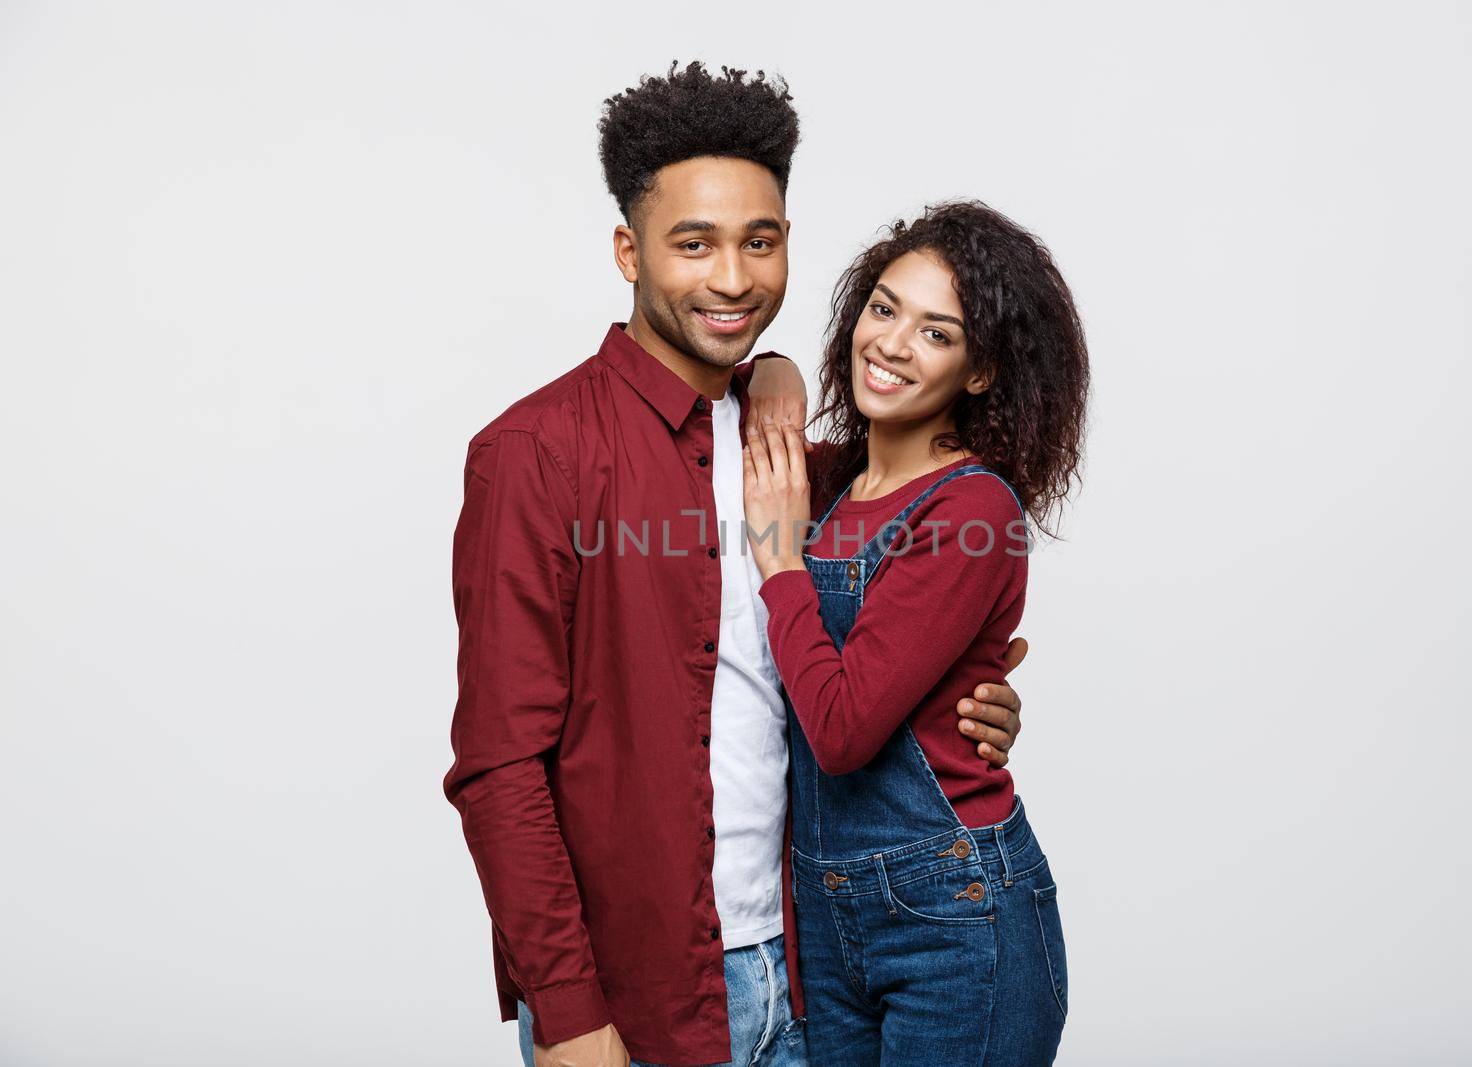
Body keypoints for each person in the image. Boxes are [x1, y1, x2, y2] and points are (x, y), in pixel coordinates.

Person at [443, 63, 1034, 1067]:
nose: (731, 277)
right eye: (693, 243)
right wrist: (568, 1005)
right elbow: (500, 763)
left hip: (819, 976)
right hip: (642, 997)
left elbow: (885, 633)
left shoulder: (805, 463)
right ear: (628, 250)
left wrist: (967, 707)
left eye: (758, 241)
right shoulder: (535, 452)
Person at [742, 199, 1090, 1064]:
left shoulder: (974, 509)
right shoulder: (828, 483)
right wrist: (779, 368)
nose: (892, 343)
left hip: (955, 916)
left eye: (938, 333)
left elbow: (846, 729)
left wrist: (784, 565)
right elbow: (750, 401)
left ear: (980, 373)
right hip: (826, 911)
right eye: (885, 307)